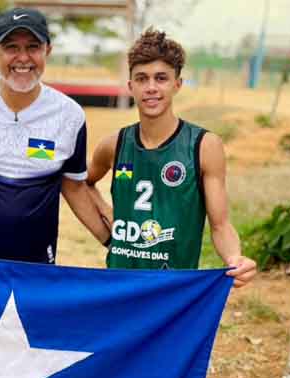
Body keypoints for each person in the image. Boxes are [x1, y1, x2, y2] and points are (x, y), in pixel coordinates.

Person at [87, 29, 256, 287]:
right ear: (130, 86)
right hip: (119, 284)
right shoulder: (113, 145)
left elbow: (220, 225)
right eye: (142, 79)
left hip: (173, 289)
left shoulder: (203, 146)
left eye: (161, 78)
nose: (151, 88)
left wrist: (235, 258)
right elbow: (83, 182)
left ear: (177, 84)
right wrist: (108, 228)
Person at [0, 7, 109, 264]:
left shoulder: (70, 115)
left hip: (35, 268)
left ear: (47, 51)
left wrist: (114, 244)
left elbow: (74, 186)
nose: (23, 58)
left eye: (33, 47)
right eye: (11, 47)